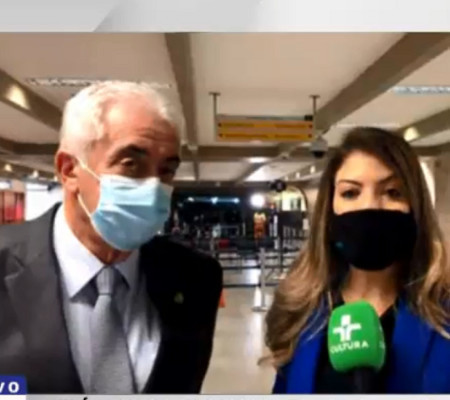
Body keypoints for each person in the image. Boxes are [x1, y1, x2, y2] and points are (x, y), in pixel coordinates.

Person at [0, 81, 222, 394]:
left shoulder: (197, 278)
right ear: (69, 170)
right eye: (131, 164)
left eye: (166, 171)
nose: (153, 187)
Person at [265, 127, 450, 394]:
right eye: (351, 193)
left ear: (415, 206)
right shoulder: (298, 309)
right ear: (330, 209)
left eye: (393, 192)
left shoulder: (444, 312)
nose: (370, 206)